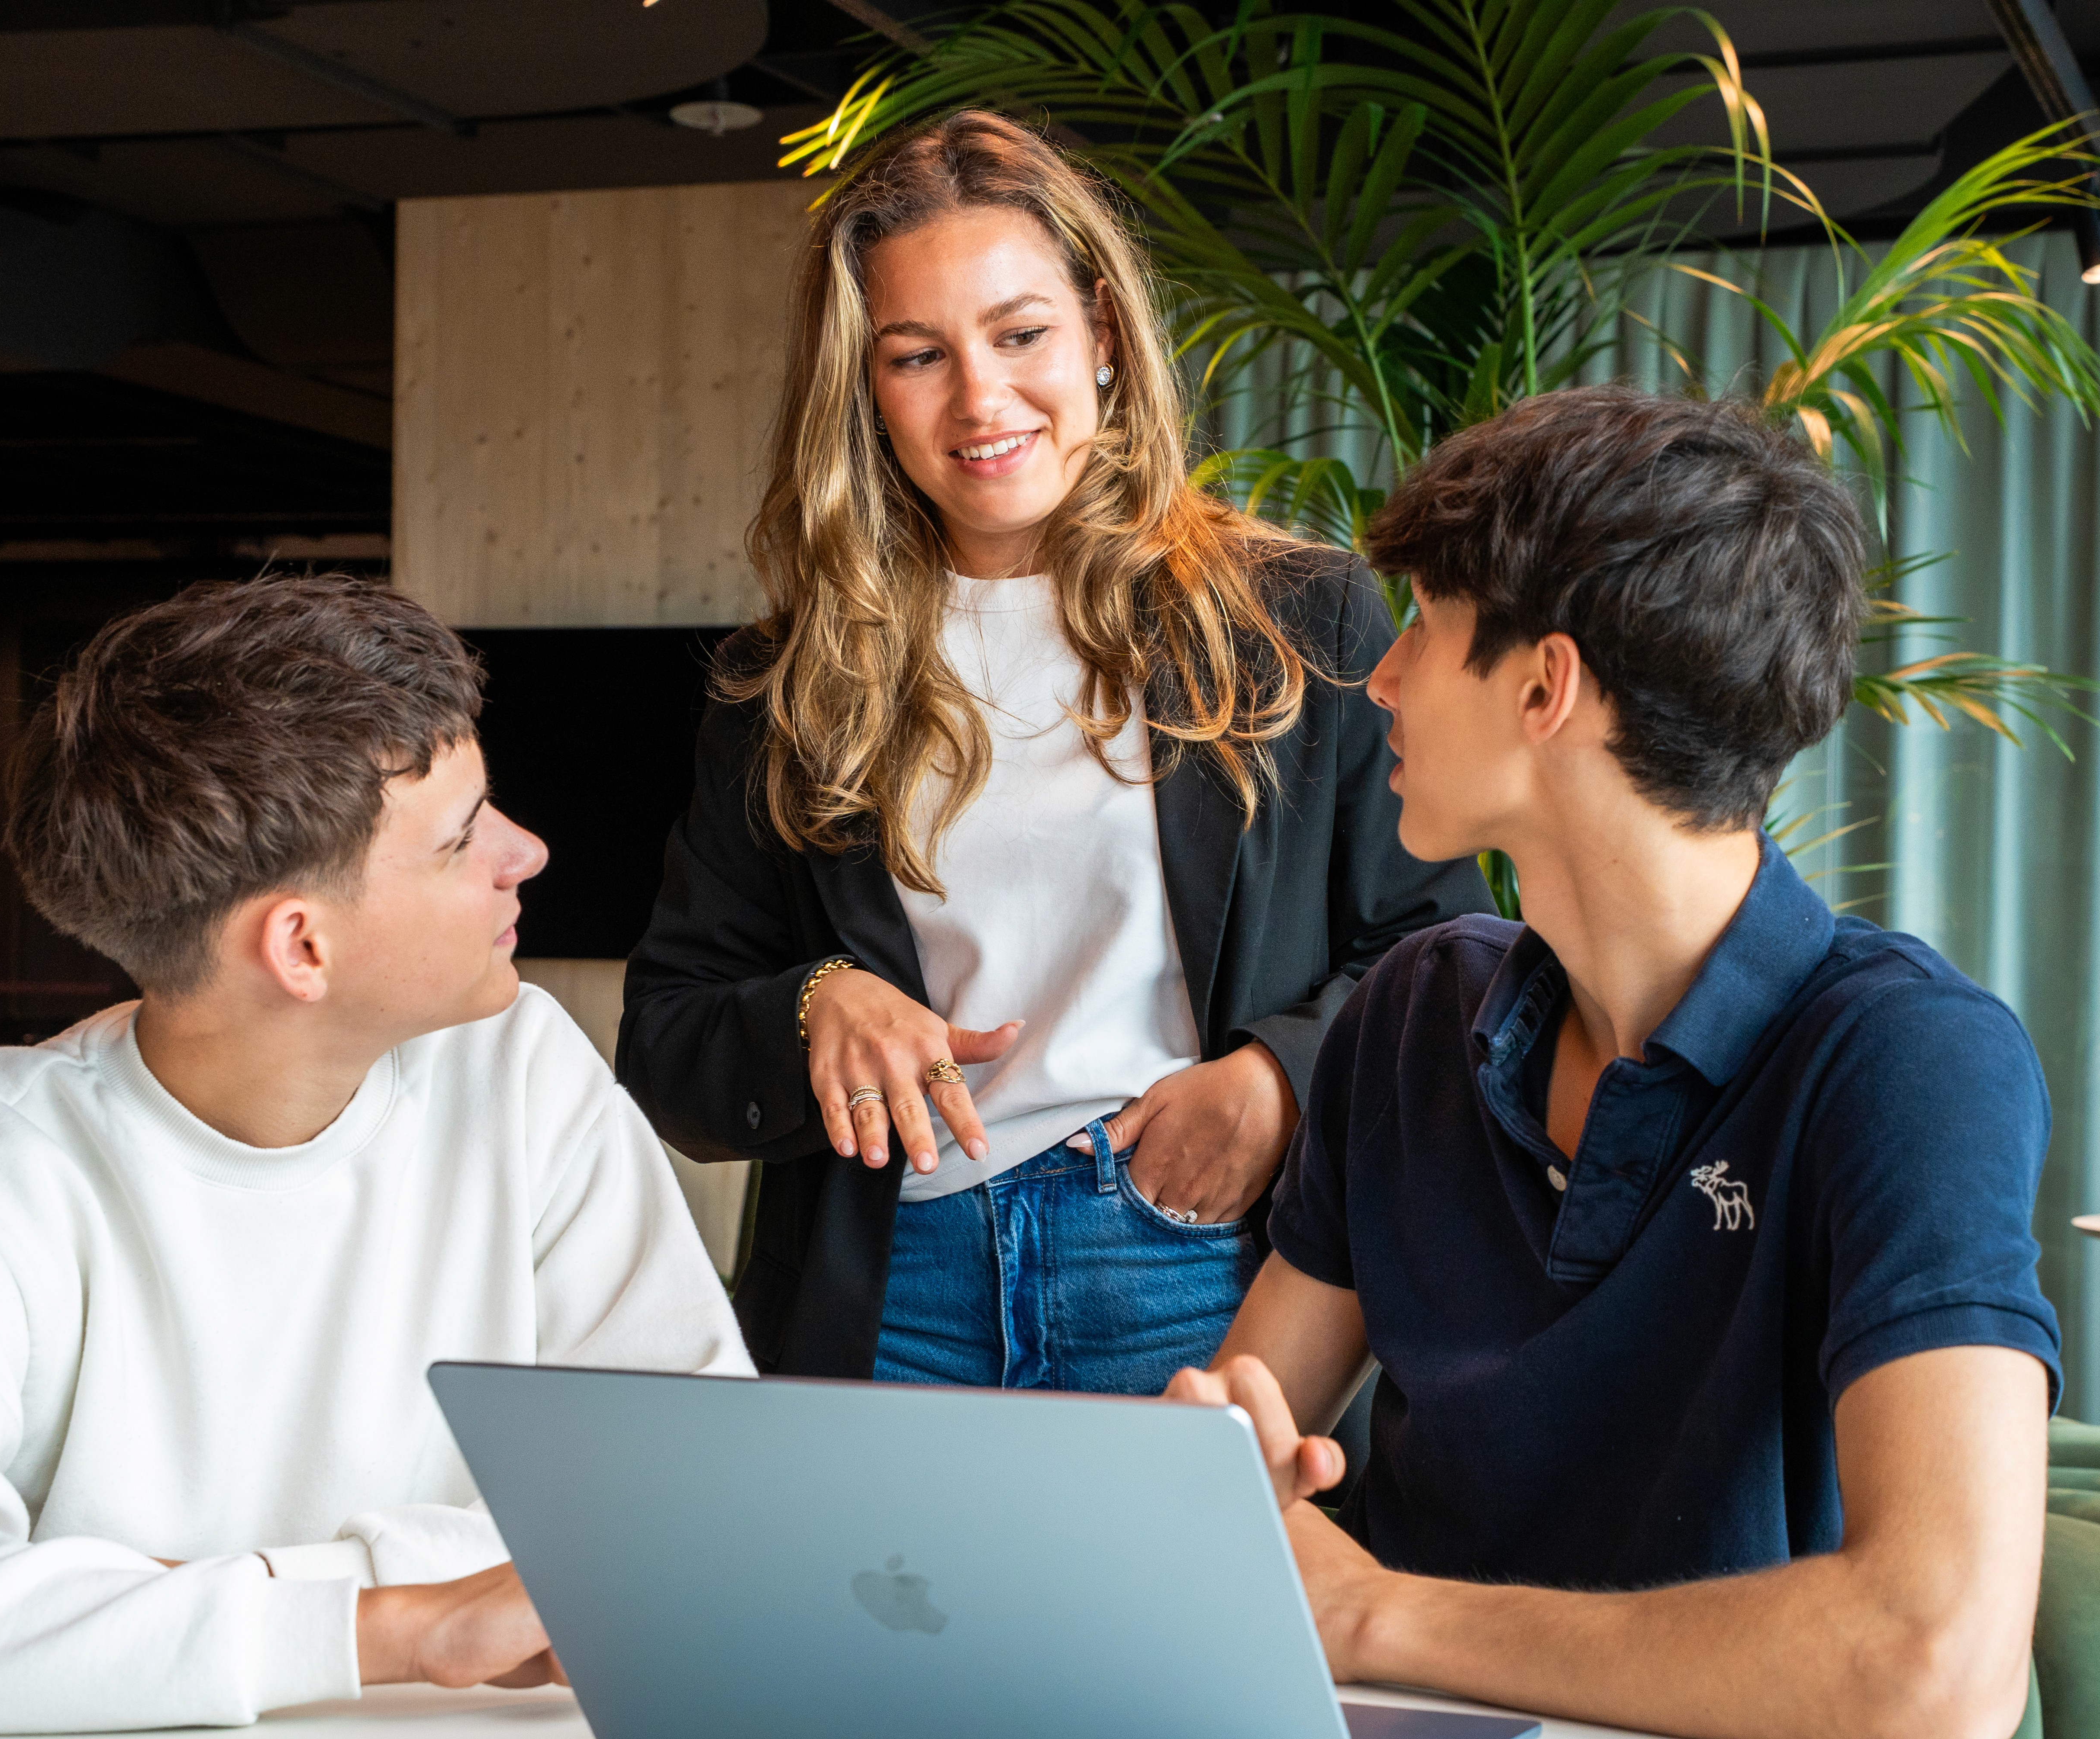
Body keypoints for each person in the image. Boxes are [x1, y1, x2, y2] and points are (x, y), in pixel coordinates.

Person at [1171, 386, 2059, 1739]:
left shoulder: (1906, 1062)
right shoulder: (1408, 1016)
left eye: (1426, 625)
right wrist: (1215, 1473)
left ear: (1545, 686)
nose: (1381, 677)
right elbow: (1232, 1462)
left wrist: (1385, 1619)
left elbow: (1934, 1661)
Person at [0, 575, 750, 1739]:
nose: (527, 851)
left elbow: (697, 1510)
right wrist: (398, 1626)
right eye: (463, 838)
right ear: (301, 946)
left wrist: (157, 1592)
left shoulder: (522, 1076)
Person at [619, 111, 1485, 1393]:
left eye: (1021, 335)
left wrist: (1280, 1082)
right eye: (918, 356)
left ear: (1101, 334)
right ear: (864, 388)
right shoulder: (791, 678)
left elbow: (1443, 955)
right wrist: (816, 1005)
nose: (981, 399)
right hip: (889, 1277)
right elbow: (670, 1041)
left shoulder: (1292, 619)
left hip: (1187, 1257)